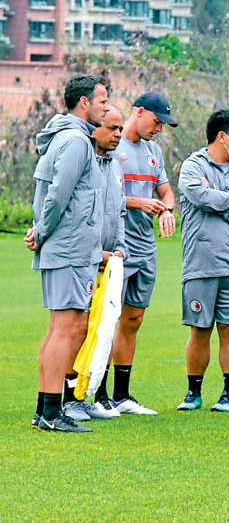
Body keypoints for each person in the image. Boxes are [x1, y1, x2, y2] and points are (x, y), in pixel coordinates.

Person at [26, 73, 110, 432]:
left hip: (69, 247)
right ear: (85, 103)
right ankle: (51, 412)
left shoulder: (68, 136)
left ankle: (44, 409)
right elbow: (58, 195)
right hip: (69, 248)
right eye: (103, 100)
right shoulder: (75, 140)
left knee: (59, 327)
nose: (107, 107)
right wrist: (42, 232)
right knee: (66, 327)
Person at [95, 91, 179, 416]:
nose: (159, 129)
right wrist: (136, 201)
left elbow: (165, 190)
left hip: (145, 247)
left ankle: (121, 396)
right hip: (116, 246)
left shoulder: (154, 151)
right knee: (107, 318)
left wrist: (166, 209)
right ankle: (98, 395)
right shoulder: (112, 146)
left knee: (134, 318)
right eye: (157, 121)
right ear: (140, 112)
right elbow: (104, 193)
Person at [176, 109, 229, 413]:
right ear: (222, 136)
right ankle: (193, 392)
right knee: (199, 329)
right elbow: (199, 196)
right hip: (202, 262)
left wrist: (221, 200)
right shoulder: (194, 166)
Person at [62, 106, 129, 423]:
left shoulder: (115, 165)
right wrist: (96, 253)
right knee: (76, 328)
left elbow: (119, 213)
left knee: (101, 330)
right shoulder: (81, 161)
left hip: (110, 262)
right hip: (82, 260)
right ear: (93, 128)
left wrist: (119, 250)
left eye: (121, 128)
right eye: (113, 127)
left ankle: (85, 396)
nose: (118, 134)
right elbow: (72, 215)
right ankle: (67, 399)